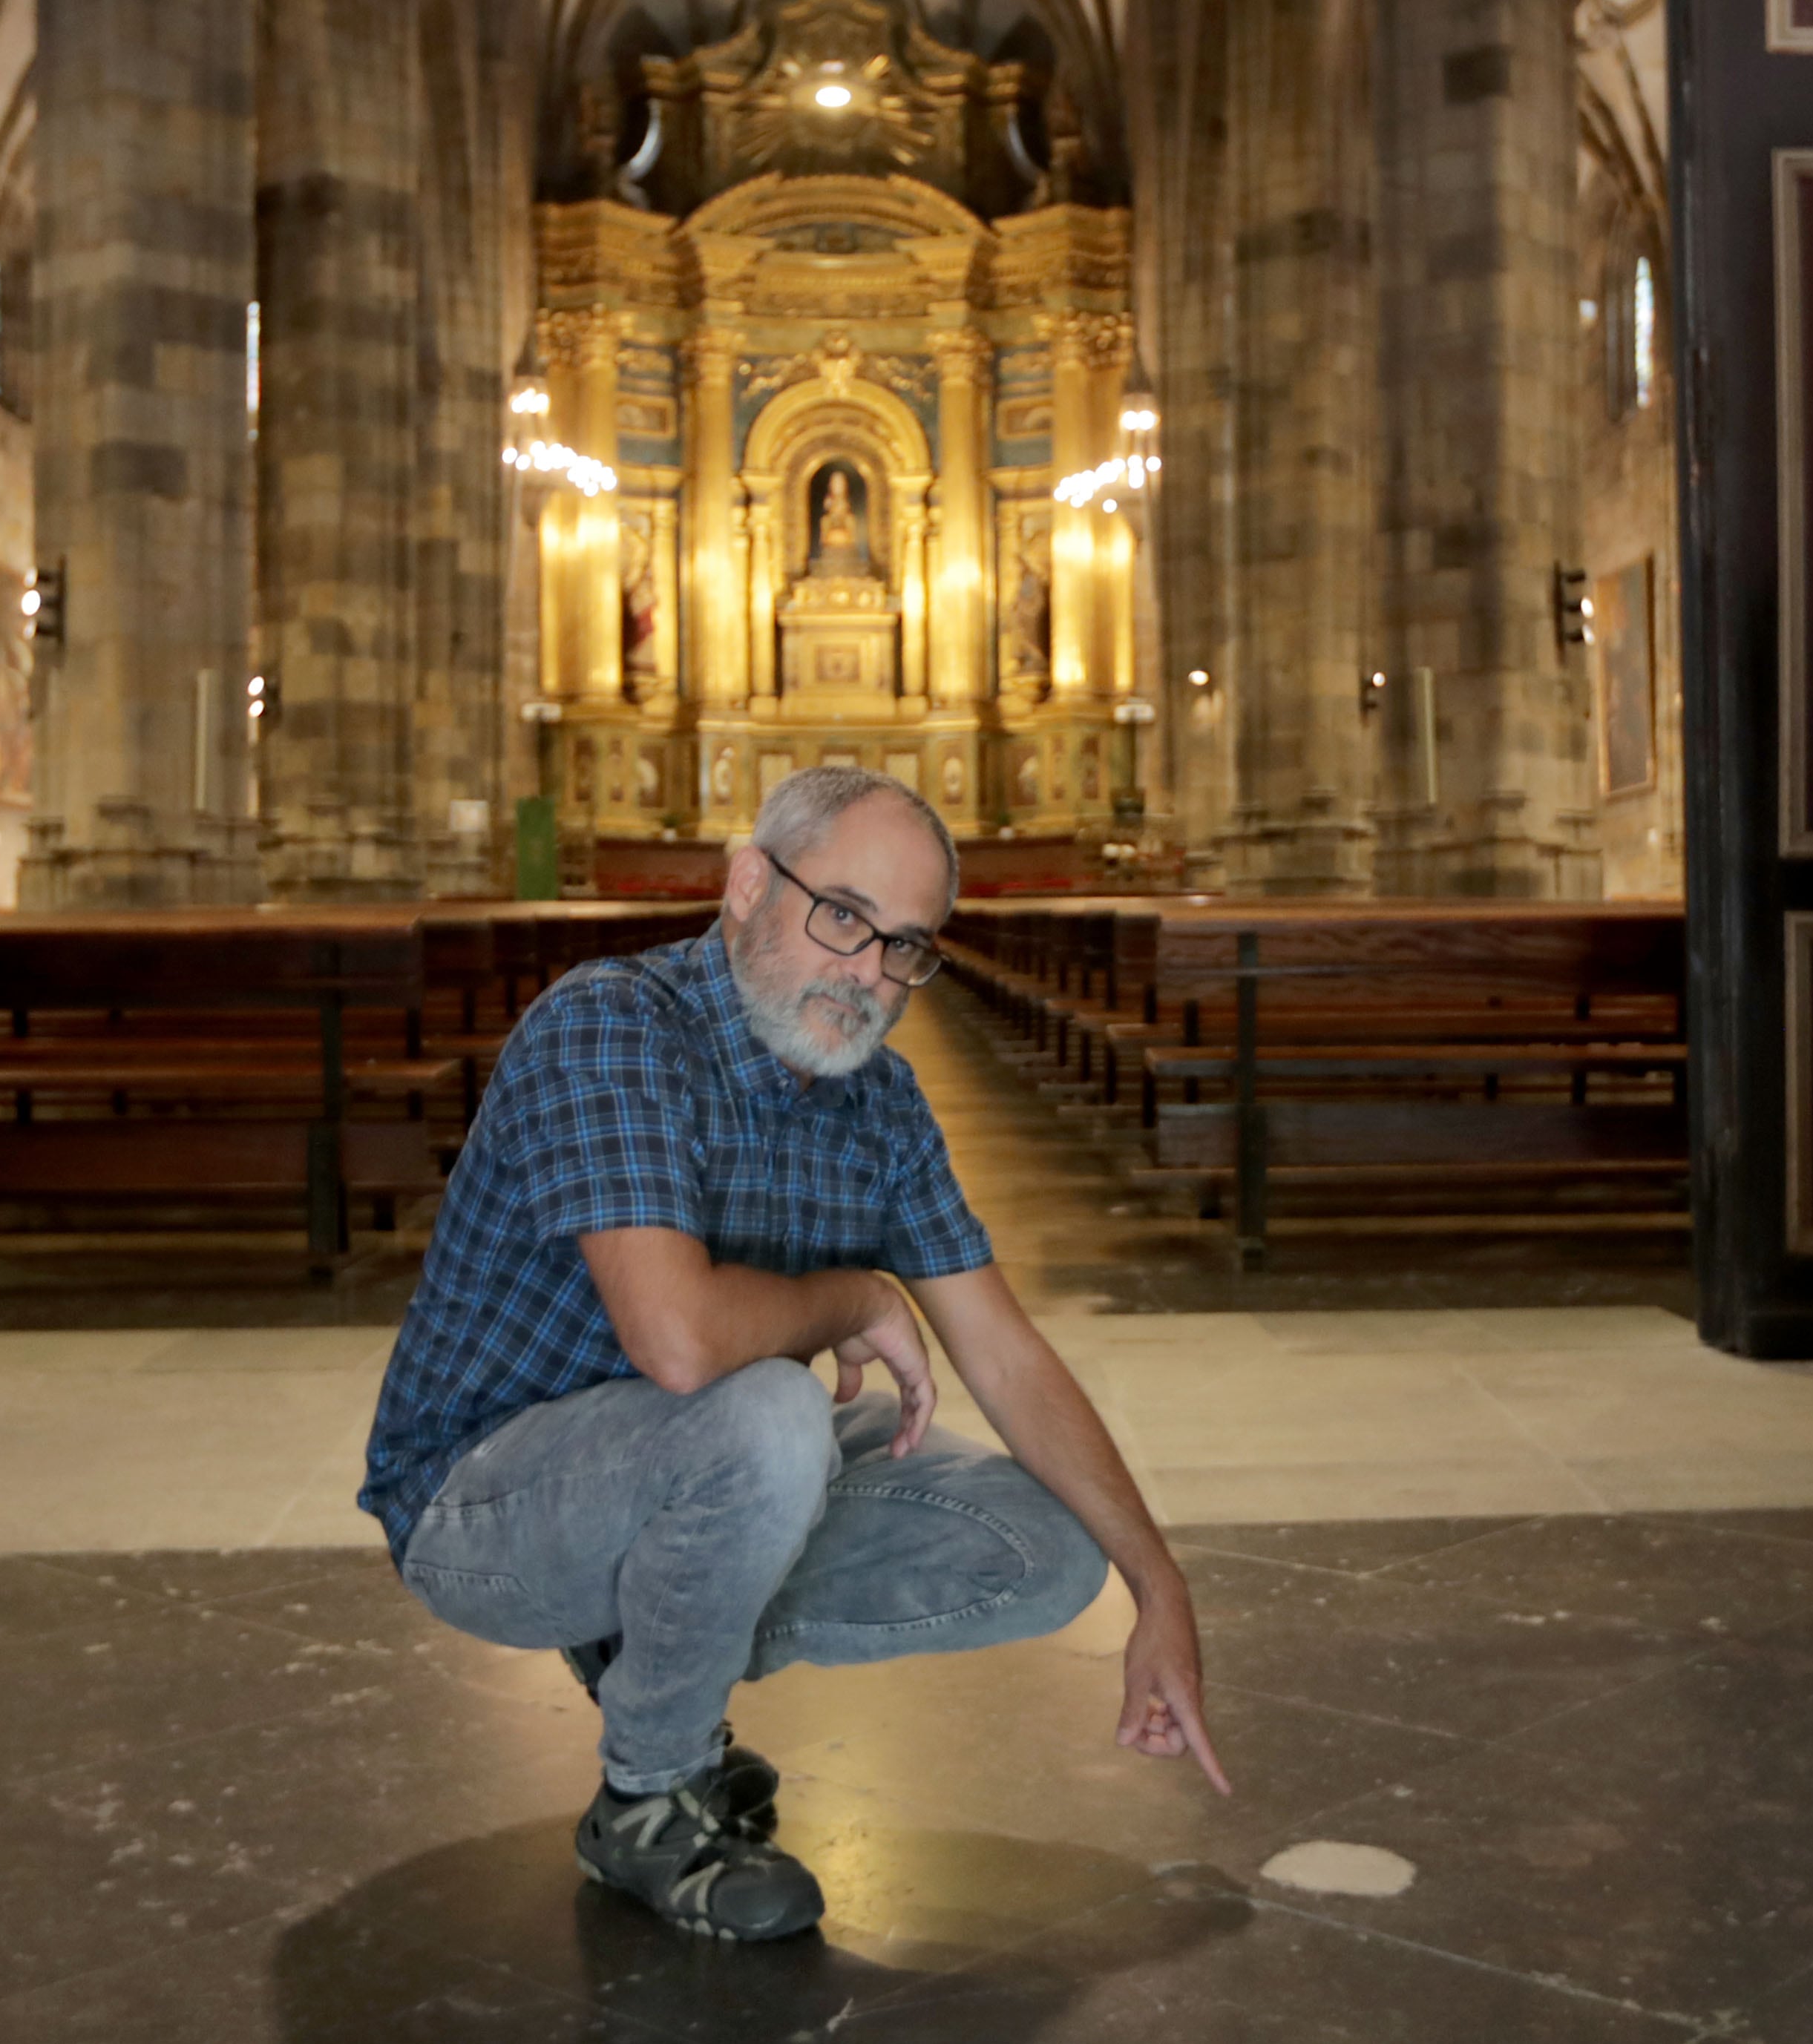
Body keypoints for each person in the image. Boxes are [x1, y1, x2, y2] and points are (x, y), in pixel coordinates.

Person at [358, 766, 1227, 1943]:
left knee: (1052, 1543)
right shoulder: (612, 1024)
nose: (869, 972)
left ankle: (653, 1638)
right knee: (769, 1412)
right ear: (747, 886)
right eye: (844, 917)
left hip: (688, 1467)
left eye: (907, 947)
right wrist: (855, 1295)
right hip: (483, 1504)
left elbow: (1004, 1350)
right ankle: (650, 1791)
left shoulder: (880, 1101)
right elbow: (678, 1344)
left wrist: (1159, 1588)